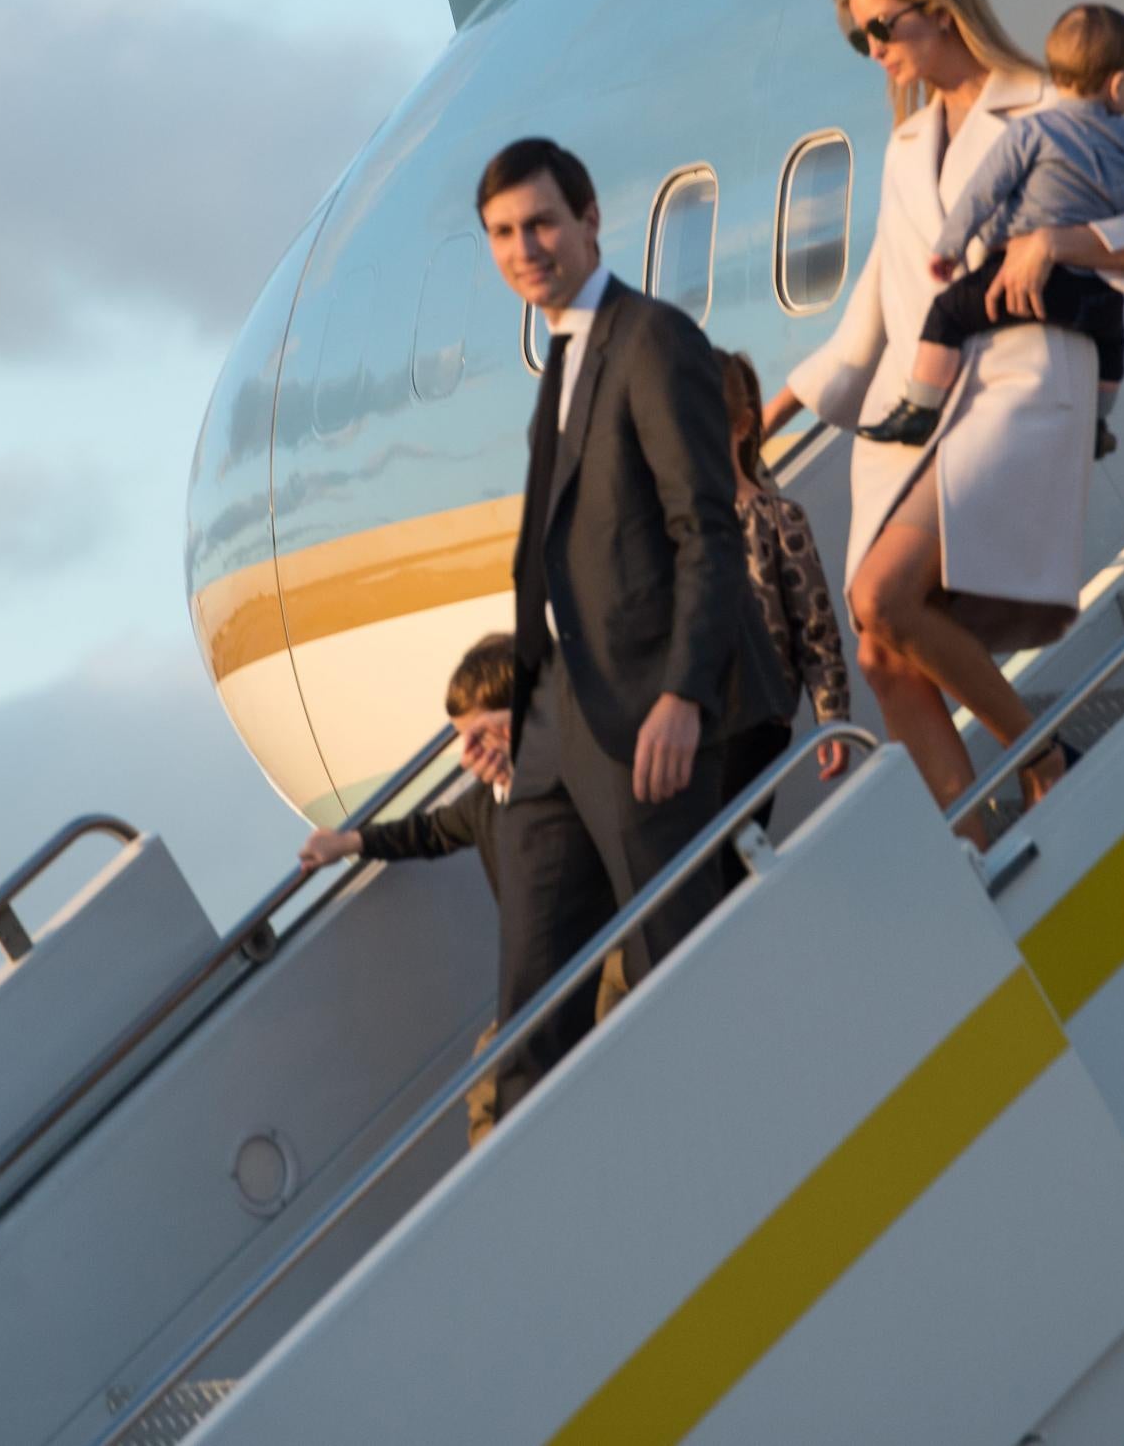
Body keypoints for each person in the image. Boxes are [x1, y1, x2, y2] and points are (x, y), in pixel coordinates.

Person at [760, 0, 1124, 841]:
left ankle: (1044, 756)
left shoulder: (1050, 102)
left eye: (881, 26)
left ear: (940, 10)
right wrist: (764, 420)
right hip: (919, 410)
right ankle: (980, 847)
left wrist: (1058, 244)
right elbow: (872, 311)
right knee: (880, 654)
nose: (873, 50)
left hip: (1019, 391)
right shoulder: (907, 145)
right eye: (857, 38)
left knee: (879, 594)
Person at [479, 136, 792, 1117]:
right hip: (554, 718)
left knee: (676, 963)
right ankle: (535, 1206)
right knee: (534, 1003)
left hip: (645, 705)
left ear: (588, 221)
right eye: (501, 233)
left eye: (540, 223)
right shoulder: (562, 352)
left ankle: (739, 1163)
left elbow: (705, 528)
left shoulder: (650, 337)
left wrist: (682, 694)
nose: (524, 247)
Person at [857, 2, 1124, 459]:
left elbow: (982, 193)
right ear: (1117, 84)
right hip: (1090, 289)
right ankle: (1096, 423)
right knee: (1113, 344)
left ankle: (921, 405)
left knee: (948, 314)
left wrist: (949, 247)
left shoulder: (1032, 131)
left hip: (1013, 276)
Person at [296, 632, 624, 1144]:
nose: (470, 754)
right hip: (546, 980)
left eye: (484, 733)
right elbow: (428, 832)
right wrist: (350, 842)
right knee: (489, 1076)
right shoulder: (487, 803)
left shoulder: (579, 773)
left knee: (550, 1052)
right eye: (461, 740)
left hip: (606, 958)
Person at [716, 352, 853, 821]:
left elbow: (817, 631)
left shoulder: (778, 519)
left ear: (741, 427)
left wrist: (831, 714)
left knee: (728, 853)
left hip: (756, 720)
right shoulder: (664, 529)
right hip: (693, 726)